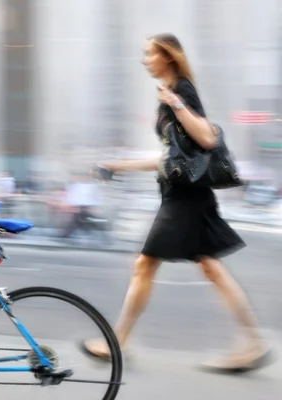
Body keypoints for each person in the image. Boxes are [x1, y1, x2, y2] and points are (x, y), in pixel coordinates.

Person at [80, 33, 272, 372]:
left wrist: (175, 102)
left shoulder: (181, 91)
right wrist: (117, 165)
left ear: (167, 56)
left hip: (186, 198)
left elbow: (207, 137)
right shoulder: (169, 97)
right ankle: (254, 342)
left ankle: (118, 342)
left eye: (149, 54)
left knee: (145, 264)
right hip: (182, 194)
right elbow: (171, 158)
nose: (144, 60)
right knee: (209, 268)